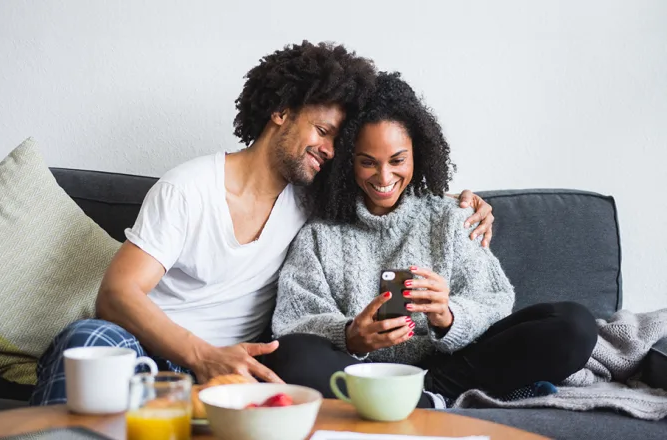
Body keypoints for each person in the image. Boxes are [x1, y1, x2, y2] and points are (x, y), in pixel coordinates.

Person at [30, 43, 494, 406]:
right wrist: (201, 355)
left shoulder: (313, 195)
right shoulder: (189, 189)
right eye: (323, 131)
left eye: (338, 141)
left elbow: (389, 188)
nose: (330, 150)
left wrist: (462, 202)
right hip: (154, 350)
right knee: (86, 341)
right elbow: (116, 294)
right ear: (281, 112)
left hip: (241, 370)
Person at [263, 72, 598, 409]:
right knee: (290, 356)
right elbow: (292, 323)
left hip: (451, 368)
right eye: (368, 162)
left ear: (417, 155)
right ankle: (426, 401)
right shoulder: (319, 235)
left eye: (397, 161)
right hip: (363, 372)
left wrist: (449, 315)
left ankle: (428, 394)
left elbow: (495, 301)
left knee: (575, 327)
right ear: (348, 160)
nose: (384, 178)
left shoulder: (451, 217)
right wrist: (349, 335)